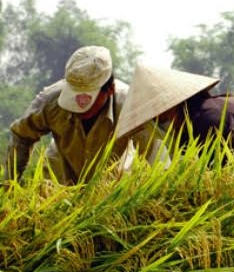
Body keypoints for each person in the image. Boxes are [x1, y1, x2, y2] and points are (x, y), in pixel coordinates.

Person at [4, 46, 167, 185]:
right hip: (57, 181)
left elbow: (157, 161)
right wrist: (10, 185)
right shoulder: (50, 100)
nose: (76, 108)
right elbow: (21, 135)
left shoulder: (131, 106)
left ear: (109, 89)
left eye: (86, 100)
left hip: (109, 187)